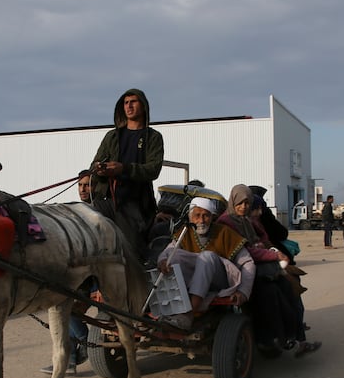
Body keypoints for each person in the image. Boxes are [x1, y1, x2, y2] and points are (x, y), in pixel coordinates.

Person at [218, 185, 321, 356]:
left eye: (246, 203)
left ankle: (295, 339)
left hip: (258, 267)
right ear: (233, 201)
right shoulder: (227, 222)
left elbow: (262, 239)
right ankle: (277, 339)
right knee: (271, 293)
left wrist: (268, 248)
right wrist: (272, 254)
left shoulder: (245, 220)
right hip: (240, 270)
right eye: (240, 203)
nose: (243, 207)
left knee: (287, 288)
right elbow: (243, 251)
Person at [156, 197, 255, 331]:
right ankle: (170, 311)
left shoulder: (224, 232)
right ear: (191, 218)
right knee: (173, 256)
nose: (201, 220)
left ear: (212, 217)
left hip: (220, 282)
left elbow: (248, 263)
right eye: (197, 215)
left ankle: (188, 315)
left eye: (206, 216)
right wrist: (162, 261)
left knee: (206, 257)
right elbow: (167, 252)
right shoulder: (185, 233)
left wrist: (243, 291)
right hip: (194, 281)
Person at [89, 88, 163, 261]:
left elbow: (153, 169)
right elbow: (94, 165)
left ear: (143, 106)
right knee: (87, 231)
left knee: (131, 253)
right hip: (107, 201)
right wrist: (100, 170)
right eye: (125, 102)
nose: (129, 106)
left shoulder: (153, 137)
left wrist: (124, 169)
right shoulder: (112, 136)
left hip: (135, 204)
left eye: (133, 102)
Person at [41, 170, 99, 375]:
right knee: (60, 308)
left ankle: (83, 342)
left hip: (93, 277)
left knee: (67, 309)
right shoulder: (76, 210)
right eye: (80, 185)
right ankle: (71, 359)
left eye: (87, 185)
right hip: (77, 272)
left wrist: (97, 286)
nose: (83, 189)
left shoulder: (100, 212)